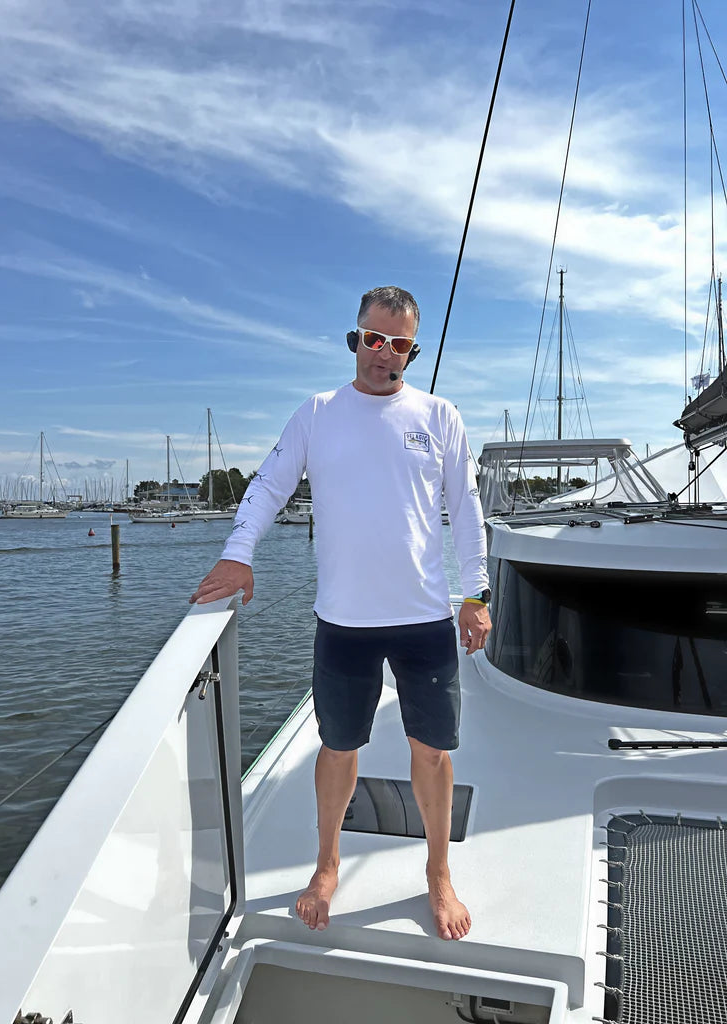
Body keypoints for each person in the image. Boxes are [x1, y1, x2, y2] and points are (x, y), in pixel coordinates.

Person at [190, 286, 491, 941]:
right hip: (345, 623)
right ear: (354, 339)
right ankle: (327, 867)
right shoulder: (318, 413)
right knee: (337, 747)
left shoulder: (440, 416)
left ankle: (438, 874)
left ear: (414, 350)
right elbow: (269, 485)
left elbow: (465, 508)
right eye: (371, 339)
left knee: (433, 753)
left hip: (423, 621)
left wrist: (476, 593)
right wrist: (238, 553)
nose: (383, 354)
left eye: (399, 344)